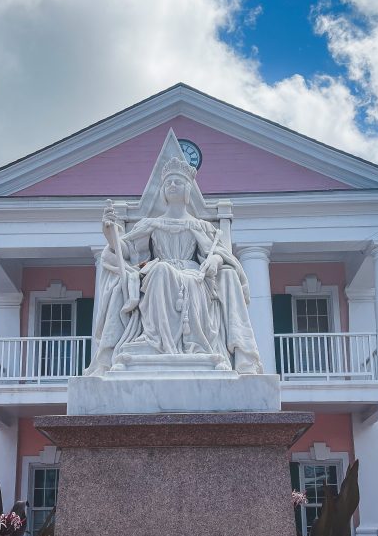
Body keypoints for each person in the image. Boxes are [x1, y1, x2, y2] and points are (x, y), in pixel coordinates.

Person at [86, 156, 262, 376]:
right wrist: (109, 233)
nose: (172, 185)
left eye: (178, 182)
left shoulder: (202, 226)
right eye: (168, 182)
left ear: (188, 189)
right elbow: (125, 251)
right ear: (162, 191)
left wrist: (214, 262)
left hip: (195, 276)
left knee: (222, 275)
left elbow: (219, 254)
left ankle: (194, 345)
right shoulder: (150, 224)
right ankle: (154, 340)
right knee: (160, 270)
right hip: (158, 272)